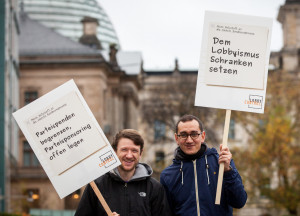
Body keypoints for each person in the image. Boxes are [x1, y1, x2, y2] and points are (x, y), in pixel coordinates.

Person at [160, 114, 247, 216]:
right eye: (183, 135)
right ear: (176, 138)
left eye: (194, 134)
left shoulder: (222, 163)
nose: (189, 140)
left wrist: (228, 172)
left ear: (203, 136)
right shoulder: (168, 175)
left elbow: (239, 201)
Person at [75, 129, 171, 216]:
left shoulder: (154, 188)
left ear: (140, 154)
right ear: (115, 152)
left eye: (134, 150)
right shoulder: (97, 186)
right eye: (124, 150)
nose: (129, 155)